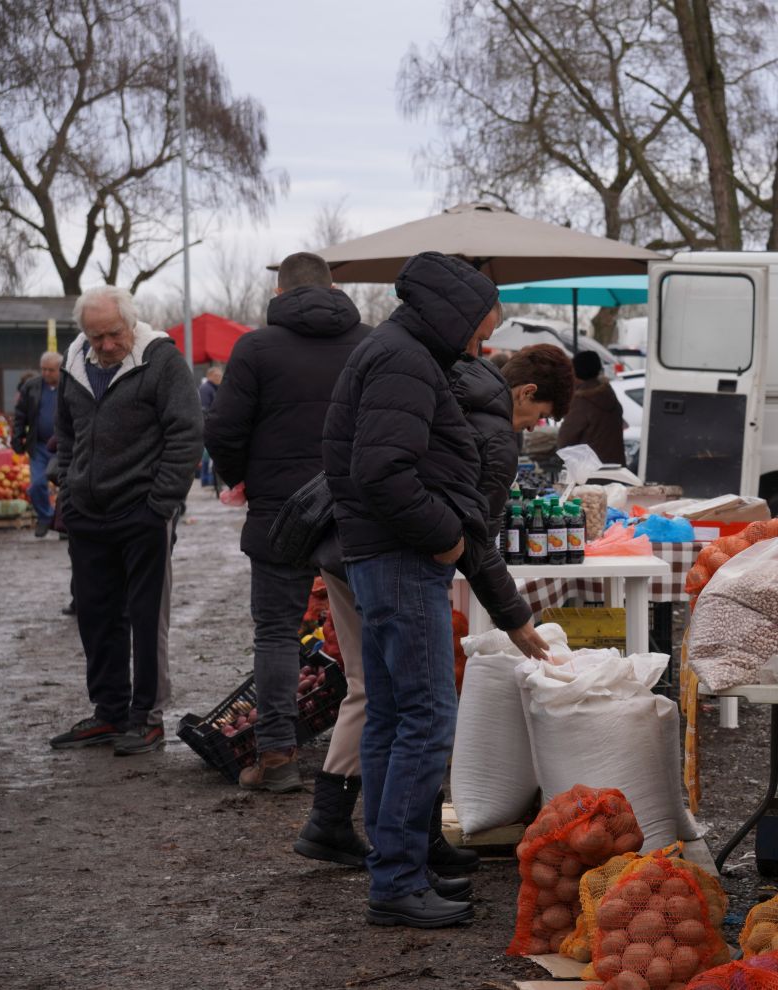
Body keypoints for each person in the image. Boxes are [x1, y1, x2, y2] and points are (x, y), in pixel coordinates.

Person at [293, 341, 572, 874]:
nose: (537, 428)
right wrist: (514, 617)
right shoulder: (491, 430)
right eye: (541, 416)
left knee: (375, 695)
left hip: (342, 543)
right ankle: (395, 852)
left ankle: (377, 834)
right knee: (414, 711)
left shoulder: (449, 383)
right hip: (389, 559)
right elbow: (476, 536)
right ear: (527, 392)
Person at [322, 250, 509, 928]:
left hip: (380, 555)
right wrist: (446, 538)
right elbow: (383, 471)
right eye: (478, 329)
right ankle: (398, 881)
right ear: (454, 313)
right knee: (426, 718)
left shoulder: (397, 348)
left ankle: (397, 871)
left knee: (397, 717)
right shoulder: (403, 359)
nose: (478, 344)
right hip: (401, 558)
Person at [204, 252, 371, 792]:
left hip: (279, 510)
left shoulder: (255, 347)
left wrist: (241, 479)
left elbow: (223, 430)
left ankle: (277, 757)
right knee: (371, 634)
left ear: (278, 295)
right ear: (334, 287)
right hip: (355, 508)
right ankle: (377, 749)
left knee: (276, 632)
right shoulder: (370, 342)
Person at [48, 285, 203, 754]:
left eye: (113, 335)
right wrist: (67, 486)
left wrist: (162, 502)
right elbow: (66, 431)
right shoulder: (75, 364)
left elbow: (187, 432)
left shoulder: (162, 361)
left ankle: (147, 717)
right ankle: (109, 712)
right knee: (96, 615)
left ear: (130, 324)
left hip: (143, 513)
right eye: (96, 338)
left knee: (145, 616)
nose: (106, 346)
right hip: (87, 514)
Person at [11, 351, 62, 537]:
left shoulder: (70, 385)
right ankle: (45, 516)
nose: (47, 373)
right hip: (39, 446)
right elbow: (20, 415)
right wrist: (17, 438)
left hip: (64, 446)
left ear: (60, 369)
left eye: (51, 370)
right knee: (37, 483)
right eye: (43, 369)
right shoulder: (31, 387)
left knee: (67, 487)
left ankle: (63, 524)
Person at [557, 349, 625, 465]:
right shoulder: (608, 393)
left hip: (592, 471)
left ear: (575, 372)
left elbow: (565, 439)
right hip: (616, 467)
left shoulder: (582, 401)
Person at [198, 364, 223, 489]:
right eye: (216, 375)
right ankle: (206, 479)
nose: (219, 377)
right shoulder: (206, 388)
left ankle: (209, 479)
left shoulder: (215, 388)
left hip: (212, 423)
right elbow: (205, 408)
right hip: (208, 424)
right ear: (209, 376)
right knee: (207, 452)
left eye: (220, 375)